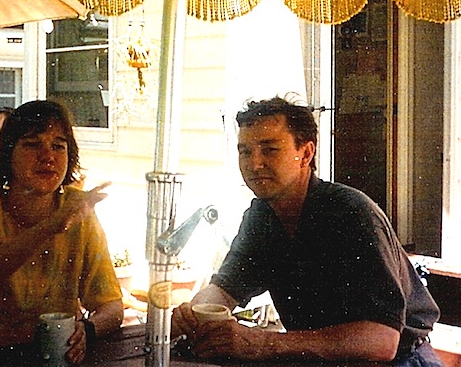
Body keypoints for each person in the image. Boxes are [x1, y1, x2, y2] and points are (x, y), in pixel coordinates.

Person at [171, 96, 443, 366]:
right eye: (245, 151)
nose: (254, 164)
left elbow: (382, 341)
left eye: (270, 150)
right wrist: (194, 314)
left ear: (306, 153)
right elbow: (226, 288)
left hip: (400, 361)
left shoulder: (351, 214)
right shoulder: (262, 217)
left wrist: (261, 343)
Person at [0, 100, 123, 364]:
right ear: (8, 152)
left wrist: (87, 330)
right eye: (32, 144)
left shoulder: (76, 209)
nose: (48, 156)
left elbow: (112, 306)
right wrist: (51, 226)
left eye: (58, 146)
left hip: (44, 355)